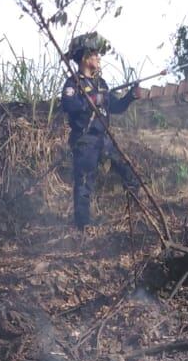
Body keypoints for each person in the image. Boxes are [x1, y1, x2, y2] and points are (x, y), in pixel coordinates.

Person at [59, 33, 143, 229]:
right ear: (84, 58)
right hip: (85, 141)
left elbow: (116, 107)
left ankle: (135, 216)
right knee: (84, 184)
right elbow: (69, 105)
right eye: (95, 55)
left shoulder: (101, 85)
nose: (98, 58)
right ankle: (83, 227)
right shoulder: (74, 84)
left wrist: (131, 96)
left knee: (128, 173)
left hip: (104, 139)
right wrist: (90, 101)